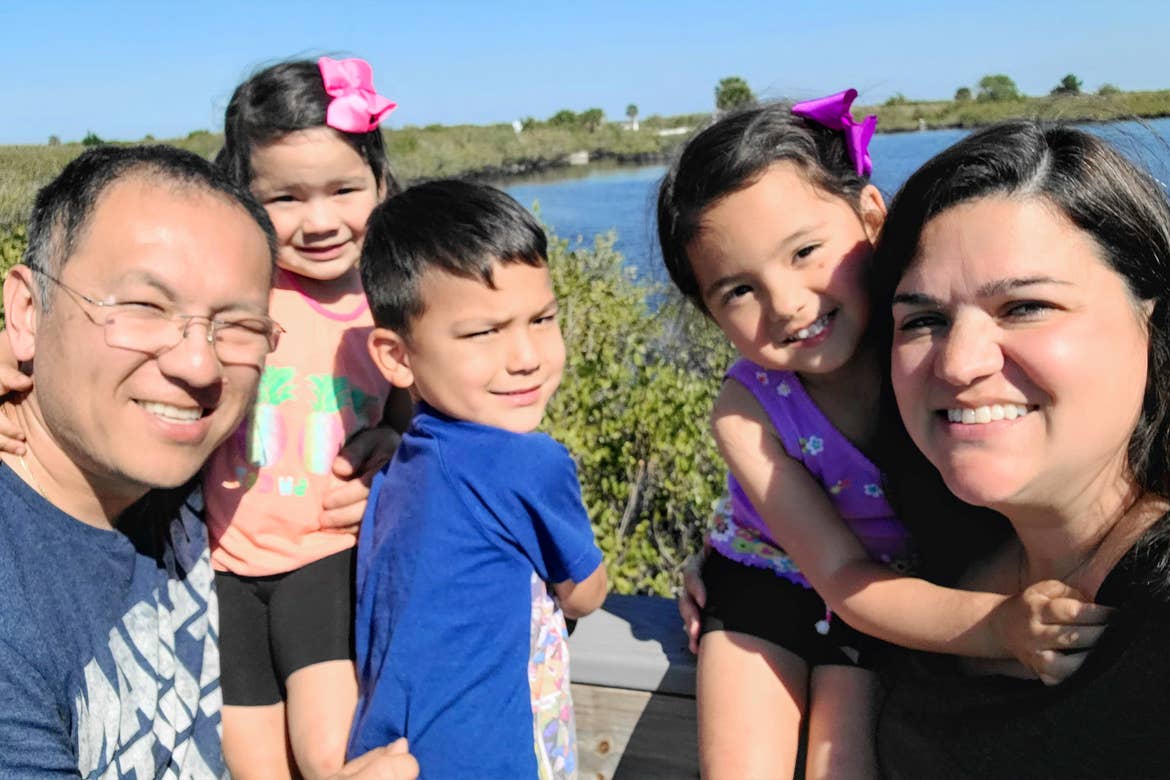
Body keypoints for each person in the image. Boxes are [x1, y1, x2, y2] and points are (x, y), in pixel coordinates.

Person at [657, 94, 1110, 778]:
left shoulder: (935, 360)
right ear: (707, 310)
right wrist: (999, 627)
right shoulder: (746, 411)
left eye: (805, 251)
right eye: (739, 290)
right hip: (766, 583)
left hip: (901, 604)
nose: (787, 303)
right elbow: (839, 575)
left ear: (871, 215)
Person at [0, 145, 417, 779]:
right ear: (28, 312)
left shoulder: (192, 496)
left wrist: (396, 455)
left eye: (238, 325)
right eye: (144, 308)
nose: (199, 365)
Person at [872, 120, 1170, 778]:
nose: (958, 364)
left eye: (1025, 307)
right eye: (924, 320)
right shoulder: (928, 560)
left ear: (1149, 321)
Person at [346, 179, 608, 778]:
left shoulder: (404, 461)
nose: (525, 356)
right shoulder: (528, 462)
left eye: (541, 318)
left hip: (392, 751)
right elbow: (586, 593)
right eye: (483, 332)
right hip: (494, 757)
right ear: (395, 356)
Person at [208, 56, 412, 779]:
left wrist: (392, 437)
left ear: (380, 185)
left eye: (344, 189)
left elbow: (412, 411)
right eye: (285, 197)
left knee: (329, 758)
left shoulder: (392, 301)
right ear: (242, 197)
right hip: (222, 567)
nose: (319, 220)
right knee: (251, 767)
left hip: (327, 558)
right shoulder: (233, 286)